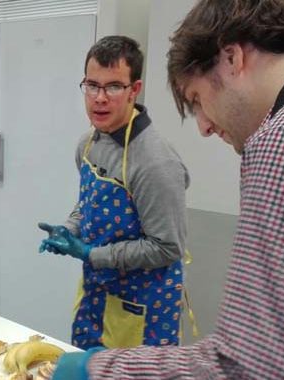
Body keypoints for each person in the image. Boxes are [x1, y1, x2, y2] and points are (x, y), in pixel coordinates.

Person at [50, 0, 284, 379]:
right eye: (92, 86)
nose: (203, 127)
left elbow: (250, 367)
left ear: (232, 58)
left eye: (198, 100)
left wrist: (98, 369)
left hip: (143, 306)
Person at [38, 35, 190, 351]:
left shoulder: (155, 162)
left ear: (134, 90)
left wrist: (93, 254)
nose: (100, 98)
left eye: (113, 87)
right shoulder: (88, 144)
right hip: (97, 293)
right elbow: (88, 205)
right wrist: (70, 230)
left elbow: (166, 247)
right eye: (92, 85)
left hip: (143, 309)